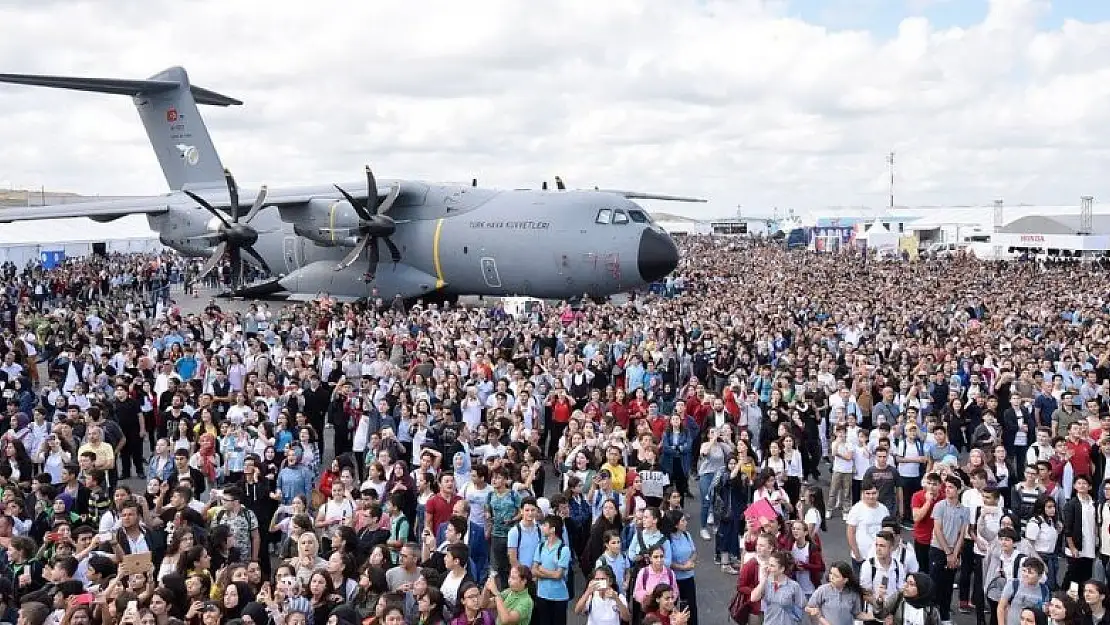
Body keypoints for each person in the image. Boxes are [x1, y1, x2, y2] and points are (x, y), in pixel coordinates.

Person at [930, 475, 970, 624]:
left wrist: (955, 553)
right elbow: (937, 530)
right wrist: (947, 552)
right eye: (946, 487)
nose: (947, 490)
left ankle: (945, 616)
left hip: (954, 551)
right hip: (938, 549)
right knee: (935, 584)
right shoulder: (940, 506)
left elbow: (961, 534)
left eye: (951, 487)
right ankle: (932, 616)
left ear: (959, 490)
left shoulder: (964, 510)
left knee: (948, 586)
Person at [873, 573, 942, 625]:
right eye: (906, 582)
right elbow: (880, 615)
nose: (905, 586)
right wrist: (880, 601)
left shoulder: (931, 611)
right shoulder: (899, 597)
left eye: (911, 584)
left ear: (921, 588)